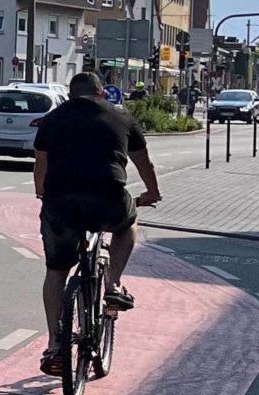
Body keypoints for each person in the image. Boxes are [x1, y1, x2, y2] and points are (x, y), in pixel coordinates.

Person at [33, 71, 162, 375]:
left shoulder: (52, 120)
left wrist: (42, 194)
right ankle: (113, 283)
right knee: (128, 220)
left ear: (70, 95)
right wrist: (152, 192)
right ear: (102, 93)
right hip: (108, 198)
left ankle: (55, 344)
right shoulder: (122, 116)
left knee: (56, 271)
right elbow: (145, 163)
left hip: (61, 203)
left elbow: (41, 165)